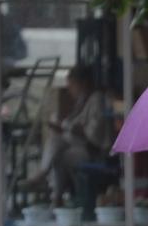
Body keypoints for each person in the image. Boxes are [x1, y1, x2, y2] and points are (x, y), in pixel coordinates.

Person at [24, 65, 111, 204]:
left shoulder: (97, 99)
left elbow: (93, 134)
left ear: (83, 83)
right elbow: (74, 125)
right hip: (78, 146)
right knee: (57, 147)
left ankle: (47, 181)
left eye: (72, 85)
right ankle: (55, 194)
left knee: (58, 150)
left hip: (92, 151)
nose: (69, 90)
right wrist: (63, 127)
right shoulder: (82, 101)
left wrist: (69, 128)